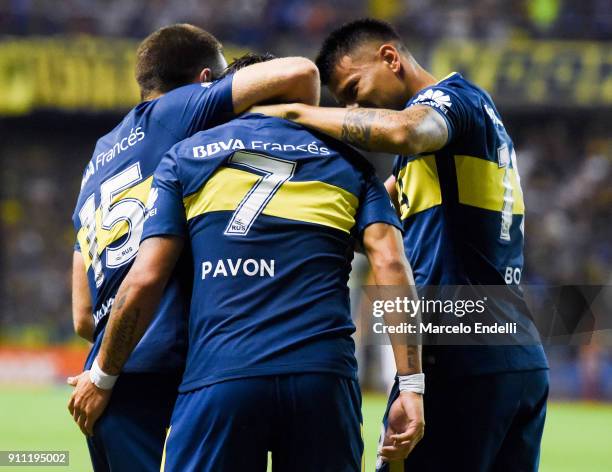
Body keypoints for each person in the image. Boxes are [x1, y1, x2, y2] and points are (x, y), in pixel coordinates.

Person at [68, 53, 426, 471]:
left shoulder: (186, 157)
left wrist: (104, 375)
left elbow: (145, 277)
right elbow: (392, 268)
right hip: (324, 379)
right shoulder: (350, 164)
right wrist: (411, 386)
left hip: (222, 377)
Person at [253, 18, 549, 472]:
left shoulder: (450, 100)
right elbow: (366, 229)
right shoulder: (448, 144)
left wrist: (293, 113)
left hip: (457, 345)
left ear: (390, 58)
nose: (353, 106)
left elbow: (405, 130)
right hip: (515, 348)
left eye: (353, 87)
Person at [68, 24, 321, 472]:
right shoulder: (177, 110)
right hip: (164, 380)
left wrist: (109, 366)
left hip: (105, 384)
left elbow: (83, 316)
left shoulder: (97, 159)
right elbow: (300, 72)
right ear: (206, 81)